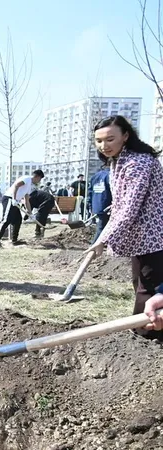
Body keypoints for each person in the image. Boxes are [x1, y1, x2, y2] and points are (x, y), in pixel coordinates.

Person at [85, 115, 163, 340]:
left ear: (126, 136)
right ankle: (146, 334)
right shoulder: (119, 161)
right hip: (141, 238)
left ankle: (145, 336)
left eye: (110, 139)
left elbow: (129, 208)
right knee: (140, 283)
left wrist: (102, 238)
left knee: (149, 289)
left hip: (154, 236)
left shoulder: (137, 163)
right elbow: (122, 202)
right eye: (99, 141)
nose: (104, 146)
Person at [0, 169, 44, 248]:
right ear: (36, 176)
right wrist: (14, 199)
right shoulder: (27, 179)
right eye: (40, 179)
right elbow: (16, 185)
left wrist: (30, 213)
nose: (39, 181)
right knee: (6, 220)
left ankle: (14, 240)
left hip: (15, 202)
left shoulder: (30, 185)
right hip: (9, 199)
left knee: (18, 220)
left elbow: (26, 200)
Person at [88, 165, 112, 244]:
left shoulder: (95, 176)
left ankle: (101, 244)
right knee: (102, 227)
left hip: (97, 205)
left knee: (103, 225)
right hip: (107, 205)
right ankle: (94, 245)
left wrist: (90, 205)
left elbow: (90, 192)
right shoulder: (110, 175)